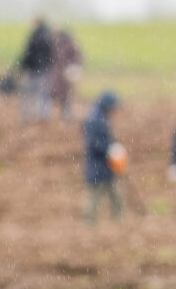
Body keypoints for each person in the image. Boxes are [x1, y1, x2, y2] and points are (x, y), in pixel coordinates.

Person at [80, 91, 125, 223]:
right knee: (94, 198)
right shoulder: (95, 120)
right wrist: (109, 149)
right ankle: (89, 225)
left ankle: (118, 223)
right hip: (98, 167)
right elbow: (93, 143)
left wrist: (113, 148)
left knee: (115, 196)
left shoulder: (101, 118)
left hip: (106, 167)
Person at [16, 19, 56, 123]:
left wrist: (22, 66)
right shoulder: (48, 36)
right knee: (43, 93)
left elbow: (28, 53)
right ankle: (44, 115)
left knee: (28, 93)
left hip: (34, 69)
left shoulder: (34, 36)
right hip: (44, 69)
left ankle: (27, 116)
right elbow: (52, 54)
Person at [48, 27, 84, 122]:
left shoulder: (60, 45)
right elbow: (78, 58)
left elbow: (77, 58)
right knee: (65, 96)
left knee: (64, 96)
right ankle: (65, 116)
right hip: (62, 75)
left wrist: (70, 68)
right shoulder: (67, 45)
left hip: (63, 75)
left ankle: (65, 116)